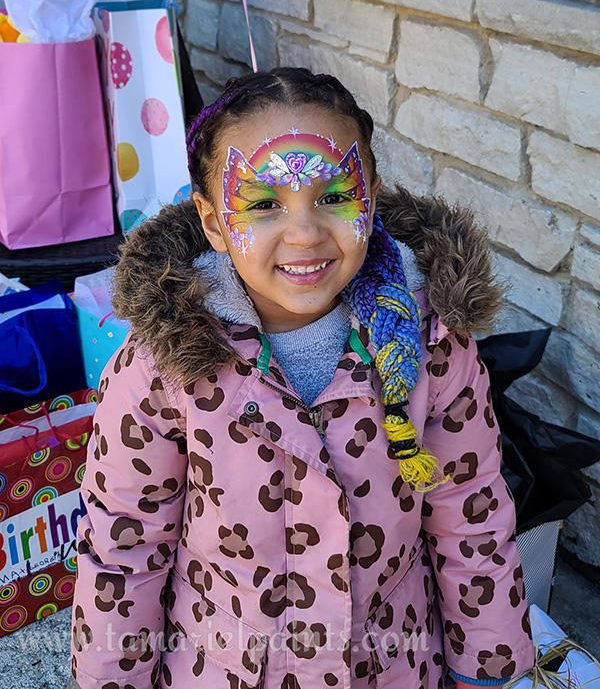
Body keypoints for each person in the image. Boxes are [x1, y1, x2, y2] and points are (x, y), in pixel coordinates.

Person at [70, 67, 535, 689]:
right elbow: (126, 544)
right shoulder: (165, 363)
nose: (305, 233)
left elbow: (468, 509)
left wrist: (488, 665)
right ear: (212, 222)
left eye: (335, 196)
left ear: (370, 191)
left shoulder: (432, 341)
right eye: (264, 204)